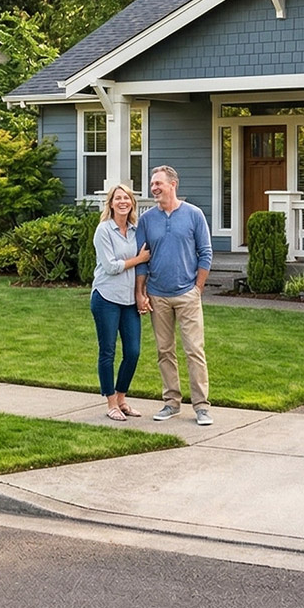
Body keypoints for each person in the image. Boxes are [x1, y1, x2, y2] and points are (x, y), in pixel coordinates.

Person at [135, 164, 214, 425]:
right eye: (152, 183)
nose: (154, 187)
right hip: (158, 296)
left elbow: (206, 253)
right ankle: (171, 403)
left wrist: (197, 288)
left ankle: (201, 406)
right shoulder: (147, 220)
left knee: (194, 350)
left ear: (173, 184)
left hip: (187, 294)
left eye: (158, 183)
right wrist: (141, 292)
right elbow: (143, 260)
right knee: (164, 351)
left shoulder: (193, 215)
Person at [91, 183, 150, 421]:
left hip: (128, 300)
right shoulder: (104, 230)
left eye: (127, 198)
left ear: (132, 203)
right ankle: (111, 403)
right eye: (118, 198)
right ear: (111, 203)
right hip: (106, 297)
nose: (123, 201)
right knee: (107, 351)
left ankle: (122, 398)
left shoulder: (136, 232)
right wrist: (138, 259)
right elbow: (111, 266)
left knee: (133, 352)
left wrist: (141, 293)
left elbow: (143, 266)